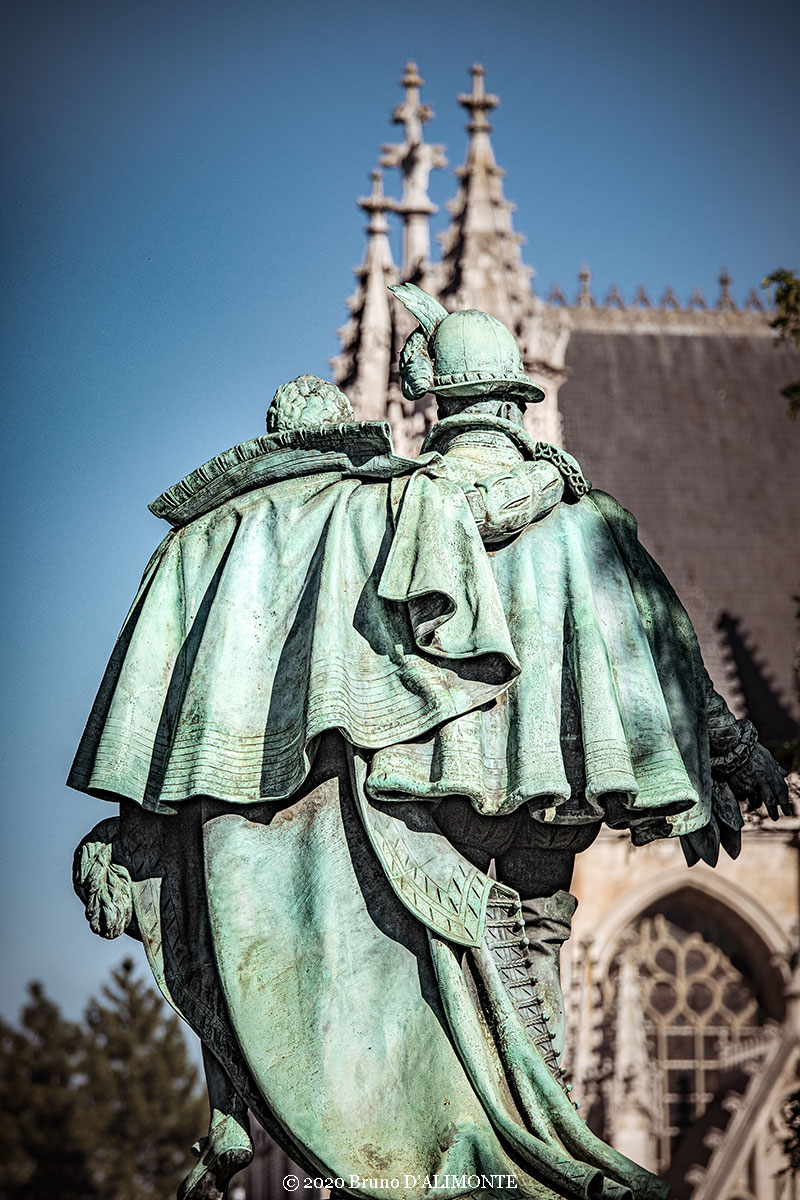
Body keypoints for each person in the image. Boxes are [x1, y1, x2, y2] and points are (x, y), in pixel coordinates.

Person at [70, 293, 789, 1200]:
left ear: (432, 402)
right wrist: (737, 760)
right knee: (532, 946)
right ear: (518, 401)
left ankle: (476, 1149)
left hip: (420, 803)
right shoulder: (584, 520)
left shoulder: (374, 516)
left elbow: (275, 577)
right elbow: (668, 654)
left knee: (437, 981)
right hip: (543, 814)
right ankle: (531, 1147)